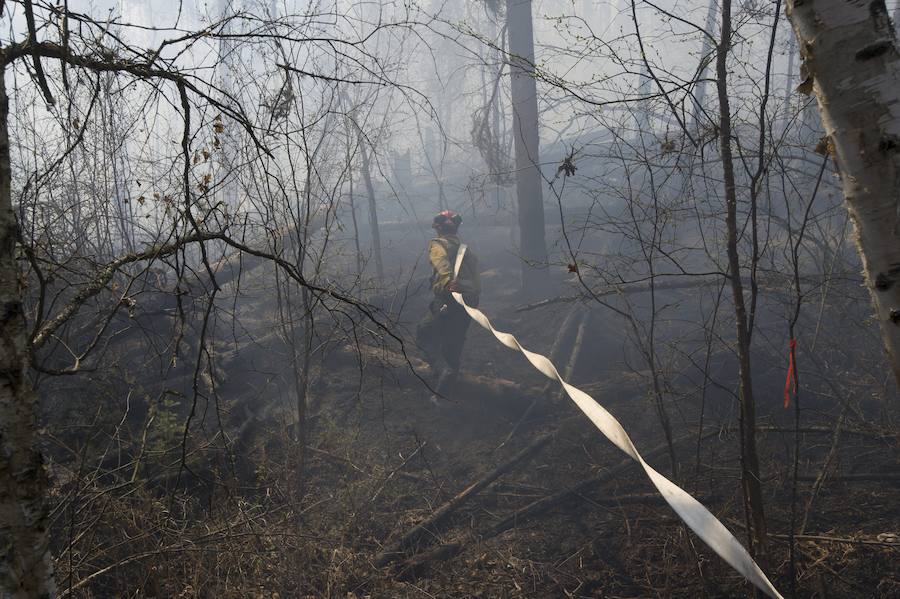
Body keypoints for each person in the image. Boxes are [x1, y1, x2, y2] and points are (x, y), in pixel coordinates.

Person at [416, 210, 480, 400]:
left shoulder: (438, 244)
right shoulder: (465, 249)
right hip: (469, 302)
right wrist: (472, 296)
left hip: (448, 299)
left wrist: (447, 283)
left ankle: (439, 370)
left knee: (425, 331)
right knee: (454, 345)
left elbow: (441, 263)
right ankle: (444, 395)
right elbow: (476, 278)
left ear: (438, 229)